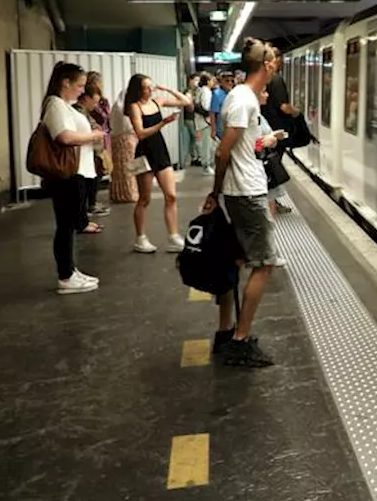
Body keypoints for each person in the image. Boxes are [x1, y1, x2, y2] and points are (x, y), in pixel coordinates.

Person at [204, 37, 288, 367]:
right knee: (263, 263)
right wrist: (215, 191)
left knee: (237, 261)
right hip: (247, 192)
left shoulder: (244, 98)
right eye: (274, 64)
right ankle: (239, 340)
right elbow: (223, 150)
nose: (276, 68)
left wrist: (260, 141)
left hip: (242, 190)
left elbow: (237, 147)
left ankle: (226, 332)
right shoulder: (243, 100)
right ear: (267, 66)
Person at [39, 62, 103, 295]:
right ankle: (65, 276)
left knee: (70, 225)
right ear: (64, 82)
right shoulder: (55, 105)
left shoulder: (65, 105)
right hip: (67, 174)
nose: (81, 90)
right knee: (65, 226)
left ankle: (70, 270)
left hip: (77, 173)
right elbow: (64, 137)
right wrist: (93, 135)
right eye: (79, 85)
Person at [124, 74, 193, 253]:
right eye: (146, 88)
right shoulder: (134, 107)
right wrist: (163, 122)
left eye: (151, 87)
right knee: (144, 199)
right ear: (138, 90)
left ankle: (173, 236)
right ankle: (140, 238)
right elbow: (140, 133)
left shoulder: (158, 101)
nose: (149, 91)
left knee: (171, 195)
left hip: (160, 151)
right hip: (144, 153)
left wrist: (168, 89)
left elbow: (185, 101)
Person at [262, 49, 297, 214]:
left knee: (269, 168)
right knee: (273, 169)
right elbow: (284, 107)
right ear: (275, 59)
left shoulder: (265, 81)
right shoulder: (276, 80)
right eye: (280, 59)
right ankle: (272, 205)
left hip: (267, 128)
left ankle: (272, 203)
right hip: (277, 130)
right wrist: (297, 113)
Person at [74, 85, 108, 231]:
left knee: (86, 189)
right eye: (93, 102)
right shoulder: (77, 112)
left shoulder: (86, 112)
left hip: (88, 155)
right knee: (81, 192)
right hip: (80, 157)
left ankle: (83, 221)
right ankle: (81, 223)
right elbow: (83, 131)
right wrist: (95, 134)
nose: (95, 106)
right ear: (86, 98)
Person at [108, 88, 139, 204]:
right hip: (127, 140)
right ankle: (129, 192)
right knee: (129, 168)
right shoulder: (124, 109)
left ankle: (118, 193)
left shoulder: (115, 108)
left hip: (116, 140)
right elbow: (129, 126)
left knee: (118, 169)